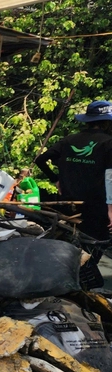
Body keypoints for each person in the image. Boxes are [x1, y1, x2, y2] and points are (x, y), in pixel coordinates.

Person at [35, 100, 112, 288]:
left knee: (70, 244)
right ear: (107, 122)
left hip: (68, 205)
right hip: (96, 207)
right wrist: (111, 208)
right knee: (93, 247)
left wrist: (56, 179)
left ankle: (65, 281)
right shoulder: (108, 143)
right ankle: (78, 285)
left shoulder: (69, 140)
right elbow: (110, 177)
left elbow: (41, 160)